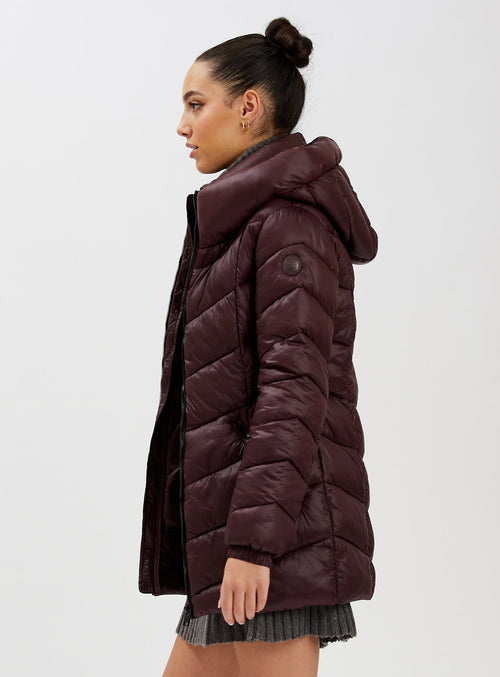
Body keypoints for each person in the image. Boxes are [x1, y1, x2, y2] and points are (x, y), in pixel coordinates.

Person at [138, 17, 378, 677]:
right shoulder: (241, 224)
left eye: (196, 104)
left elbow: (293, 391)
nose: (182, 126)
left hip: (275, 546)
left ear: (247, 108)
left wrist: (253, 544)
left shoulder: (288, 224)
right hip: (236, 541)